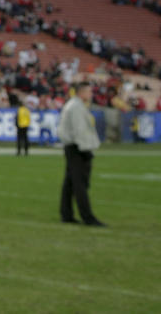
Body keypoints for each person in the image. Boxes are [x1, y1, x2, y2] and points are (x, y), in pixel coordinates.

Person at [57, 83, 105, 226]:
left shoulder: (73, 105)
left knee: (70, 183)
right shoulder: (76, 107)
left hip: (73, 146)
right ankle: (87, 216)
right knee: (80, 183)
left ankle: (66, 213)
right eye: (89, 91)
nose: (91, 94)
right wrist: (86, 150)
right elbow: (80, 131)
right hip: (77, 147)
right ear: (81, 92)